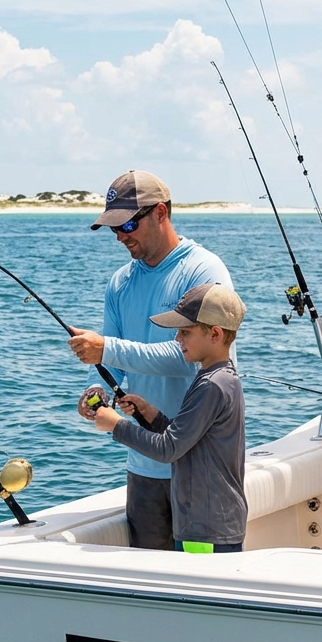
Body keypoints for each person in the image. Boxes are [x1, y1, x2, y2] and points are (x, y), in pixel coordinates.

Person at [71, 169, 233, 550]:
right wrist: (98, 389)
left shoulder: (203, 270)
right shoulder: (120, 282)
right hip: (142, 465)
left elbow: (187, 358)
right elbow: (113, 361)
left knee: (201, 587)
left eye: (128, 224)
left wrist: (106, 349)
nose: (121, 236)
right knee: (152, 587)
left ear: (160, 213)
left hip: (198, 471)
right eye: (113, 228)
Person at [93, 283, 248, 554]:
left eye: (185, 332)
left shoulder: (211, 385)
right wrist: (150, 415)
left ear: (215, 333)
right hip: (213, 524)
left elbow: (169, 449)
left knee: (199, 596)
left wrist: (116, 425)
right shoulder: (218, 378)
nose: (177, 339)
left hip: (205, 531)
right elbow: (186, 439)